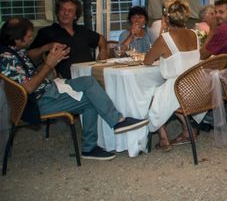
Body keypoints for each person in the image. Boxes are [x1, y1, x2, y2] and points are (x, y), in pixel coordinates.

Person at [1, 17, 148, 160]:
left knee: (89, 82)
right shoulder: (7, 58)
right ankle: (92, 145)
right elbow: (28, 88)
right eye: (28, 36)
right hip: (38, 102)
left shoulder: (14, 50)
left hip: (48, 89)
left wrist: (48, 51)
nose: (31, 38)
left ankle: (116, 121)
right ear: (16, 38)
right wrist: (49, 65)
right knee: (90, 100)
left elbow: (29, 66)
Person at [144, 0, 201, 150]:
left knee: (149, 93)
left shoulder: (165, 39)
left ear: (166, 18)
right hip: (195, 87)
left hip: (177, 88)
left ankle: (163, 139)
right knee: (166, 94)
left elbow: (147, 60)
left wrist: (163, 30)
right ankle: (188, 131)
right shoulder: (194, 34)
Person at [29, 0, 108, 79]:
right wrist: (47, 47)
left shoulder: (82, 30)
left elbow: (101, 39)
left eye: (70, 11)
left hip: (90, 75)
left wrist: (103, 50)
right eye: (63, 9)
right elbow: (30, 55)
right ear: (57, 12)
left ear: (75, 16)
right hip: (65, 80)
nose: (66, 13)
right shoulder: (46, 32)